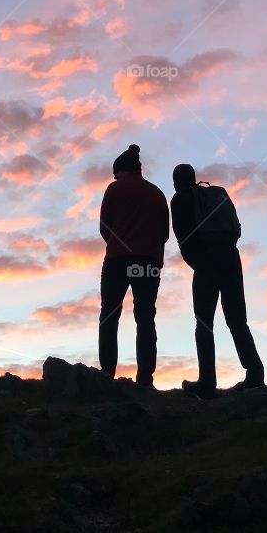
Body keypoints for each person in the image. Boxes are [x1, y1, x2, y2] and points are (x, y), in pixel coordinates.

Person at [171, 162, 265, 398]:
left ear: (176, 181)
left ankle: (207, 382)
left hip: (206, 262)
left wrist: (199, 264)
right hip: (232, 257)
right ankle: (255, 372)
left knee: (204, 323)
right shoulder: (210, 194)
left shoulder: (180, 199)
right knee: (237, 320)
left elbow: (183, 239)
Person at [98, 143, 170, 387]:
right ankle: (145, 379)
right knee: (146, 317)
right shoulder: (157, 193)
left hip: (117, 260)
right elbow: (165, 234)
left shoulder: (114, 189)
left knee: (109, 315)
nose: (114, 178)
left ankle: (107, 374)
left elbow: (104, 228)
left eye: (115, 173)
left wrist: (120, 244)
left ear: (122, 170)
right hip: (148, 262)